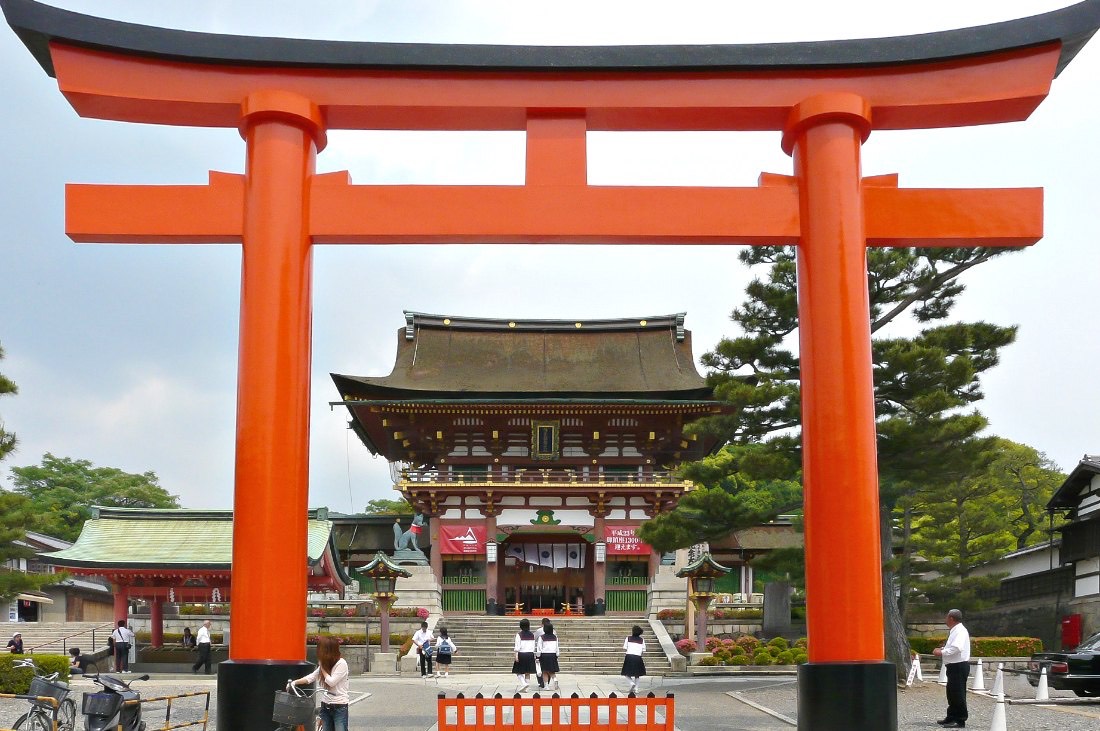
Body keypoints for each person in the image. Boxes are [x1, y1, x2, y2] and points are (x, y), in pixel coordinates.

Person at [291, 636, 349, 731]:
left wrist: (322, 668)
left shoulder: (341, 663)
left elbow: (331, 682)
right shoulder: (325, 663)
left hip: (339, 706)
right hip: (325, 705)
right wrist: (294, 682)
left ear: (328, 650)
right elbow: (311, 677)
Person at [933, 608, 971, 728]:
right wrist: (944, 649)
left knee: (958, 693)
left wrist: (942, 652)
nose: (945, 619)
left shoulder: (960, 631)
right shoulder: (955, 630)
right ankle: (951, 716)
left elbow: (957, 648)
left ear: (951, 618)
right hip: (954, 665)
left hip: (958, 665)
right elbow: (953, 647)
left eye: (946, 617)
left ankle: (960, 719)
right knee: (952, 693)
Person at [512, 618, 537, 692]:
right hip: (530, 654)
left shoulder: (519, 635)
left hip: (522, 654)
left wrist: (516, 654)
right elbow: (533, 646)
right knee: (528, 672)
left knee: (518, 671)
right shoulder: (532, 635)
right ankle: (527, 687)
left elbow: (517, 646)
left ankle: (524, 683)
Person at [536, 621, 560, 692]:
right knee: (551, 670)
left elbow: (539, 647)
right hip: (553, 654)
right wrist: (557, 654)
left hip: (544, 655)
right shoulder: (555, 637)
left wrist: (538, 656)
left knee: (544, 671)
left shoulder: (542, 637)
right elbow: (557, 647)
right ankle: (555, 679)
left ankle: (546, 686)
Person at [621, 625, 646, 693]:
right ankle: (636, 689)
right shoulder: (641, 640)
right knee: (637, 674)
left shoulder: (628, 638)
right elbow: (644, 650)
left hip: (629, 656)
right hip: (638, 657)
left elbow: (625, 647)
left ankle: (632, 683)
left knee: (626, 673)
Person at [533, 617, 551, 688]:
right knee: (548, 668)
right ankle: (547, 682)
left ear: (542, 624)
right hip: (550, 651)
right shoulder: (553, 631)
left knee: (539, 667)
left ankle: (541, 682)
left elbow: (533, 637)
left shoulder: (539, 630)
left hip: (541, 651)